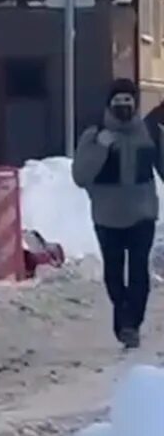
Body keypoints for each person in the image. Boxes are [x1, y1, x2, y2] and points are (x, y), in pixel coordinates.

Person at [71, 79, 162, 349]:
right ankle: (123, 317)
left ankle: (130, 324)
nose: (124, 107)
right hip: (107, 216)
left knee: (138, 272)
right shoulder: (94, 135)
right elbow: (80, 175)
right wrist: (100, 146)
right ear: (109, 104)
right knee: (113, 274)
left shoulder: (149, 133)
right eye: (118, 101)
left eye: (129, 101)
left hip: (143, 213)